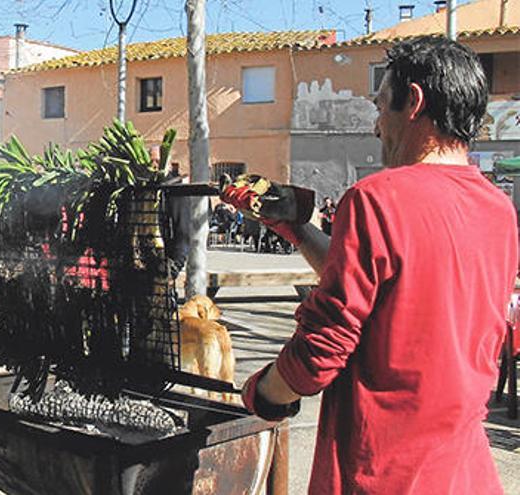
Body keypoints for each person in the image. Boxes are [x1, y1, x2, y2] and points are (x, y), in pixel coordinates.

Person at [221, 37, 517, 493]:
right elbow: (382, 290)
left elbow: (320, 351)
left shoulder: (377, 198)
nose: (378, 127)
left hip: (383, 474)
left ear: (413, 102)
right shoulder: (499, 209)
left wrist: (262, 395)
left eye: (381, 107)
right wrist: (297, 228)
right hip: (465, 472)